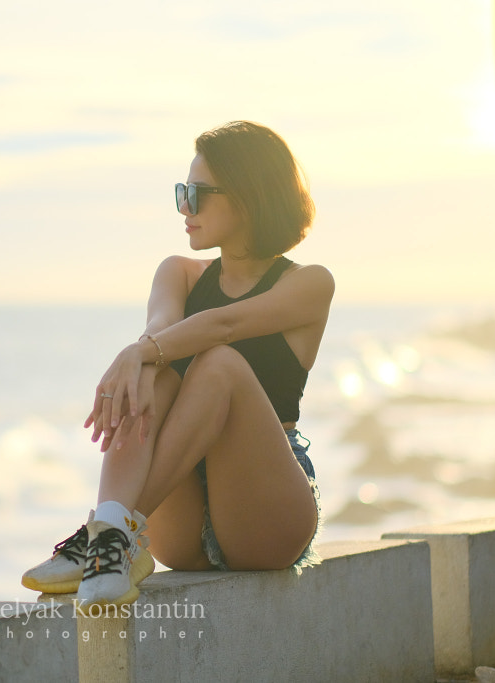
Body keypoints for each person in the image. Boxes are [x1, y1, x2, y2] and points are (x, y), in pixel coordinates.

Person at [22, 120, 333, 609]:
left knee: (218, 364)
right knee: (156, 370)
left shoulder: (310, 283)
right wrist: (140, 357)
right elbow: (161, 331)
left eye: (197, 194)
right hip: (177, 520)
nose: (185, 208)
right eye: (181, 193)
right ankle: (111, 535)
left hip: (265, 515)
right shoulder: (179, 273)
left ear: (248, 196)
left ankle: (109, 532)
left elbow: (225, 325)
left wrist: (138, 351)